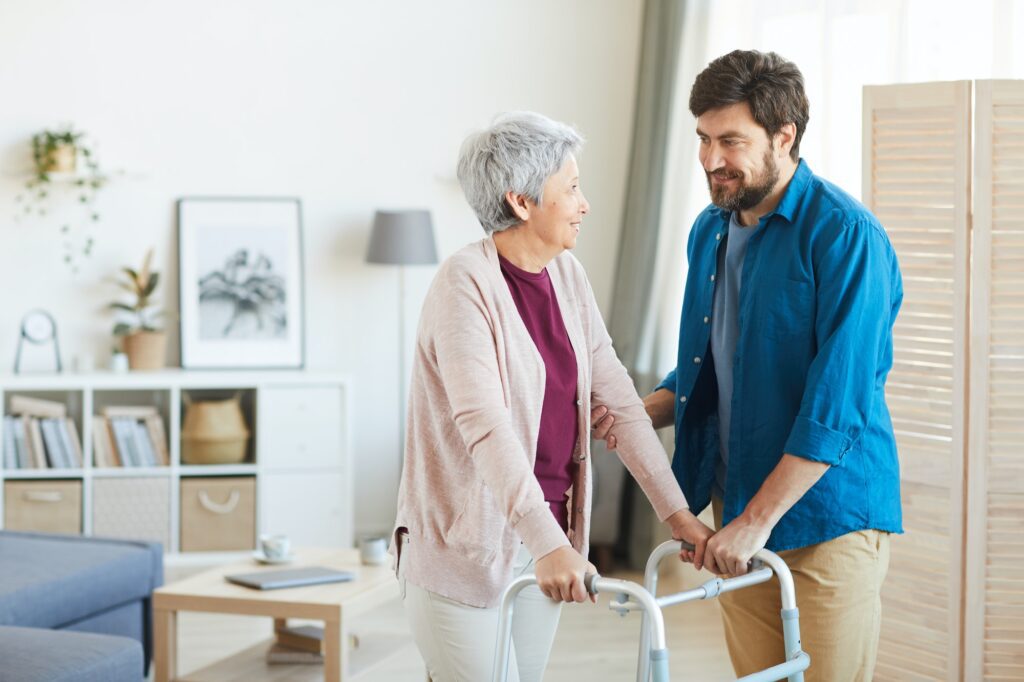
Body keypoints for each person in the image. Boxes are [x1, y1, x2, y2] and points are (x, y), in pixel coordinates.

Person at [593, 50, 903, 681]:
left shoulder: (846, 236)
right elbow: (709, 366)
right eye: (703, 139)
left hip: (826, 522)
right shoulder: (709, 230)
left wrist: (756, 522)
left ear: (784, 136)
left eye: (730, 141)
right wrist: (636, 410)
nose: (711, 160)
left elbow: (836, 408)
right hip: (734, 514)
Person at [389, 111, 714, 682]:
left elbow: (621, 404)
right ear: (521, 202)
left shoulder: (566, 276)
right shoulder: (462, 285)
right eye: (571, 188)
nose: (584, 203)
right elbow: (485, 426)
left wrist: (678, 514)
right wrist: (548, 546)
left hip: (546, 537)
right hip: (465, 549)